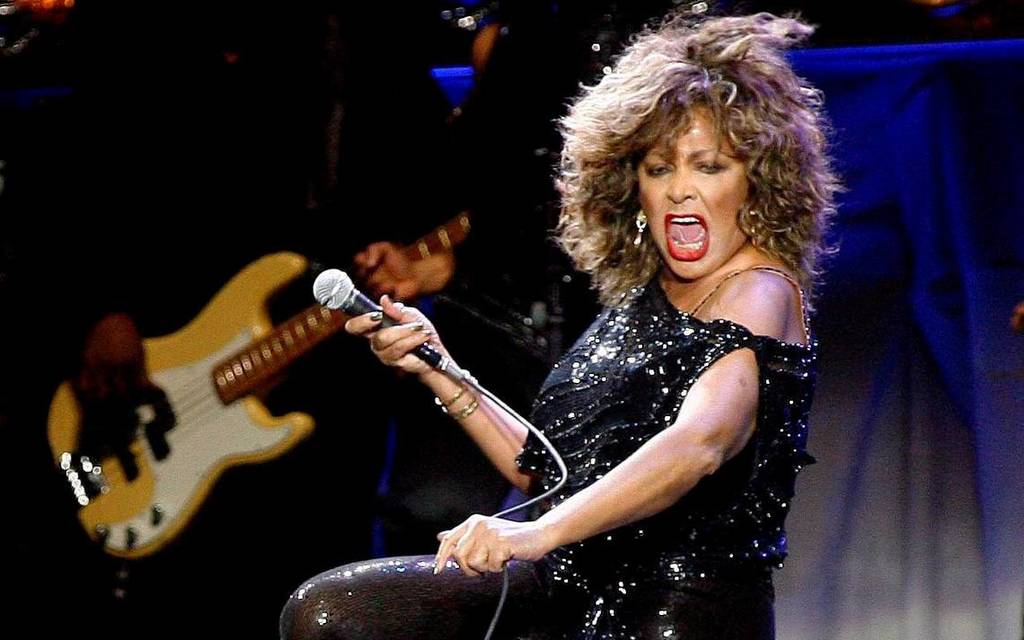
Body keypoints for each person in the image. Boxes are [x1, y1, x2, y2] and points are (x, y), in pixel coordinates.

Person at [280, 11, 838, 639]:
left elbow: (701, 443)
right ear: (631, 188)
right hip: (569, 587)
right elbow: (544, 471)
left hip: (671, 607)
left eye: (708, 167)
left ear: (757, 183)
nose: (681, 190)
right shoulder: (638, 300)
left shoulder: (759, 289)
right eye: (659, 169)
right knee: (332, 613)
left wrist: (536, 533)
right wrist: (439, 367)